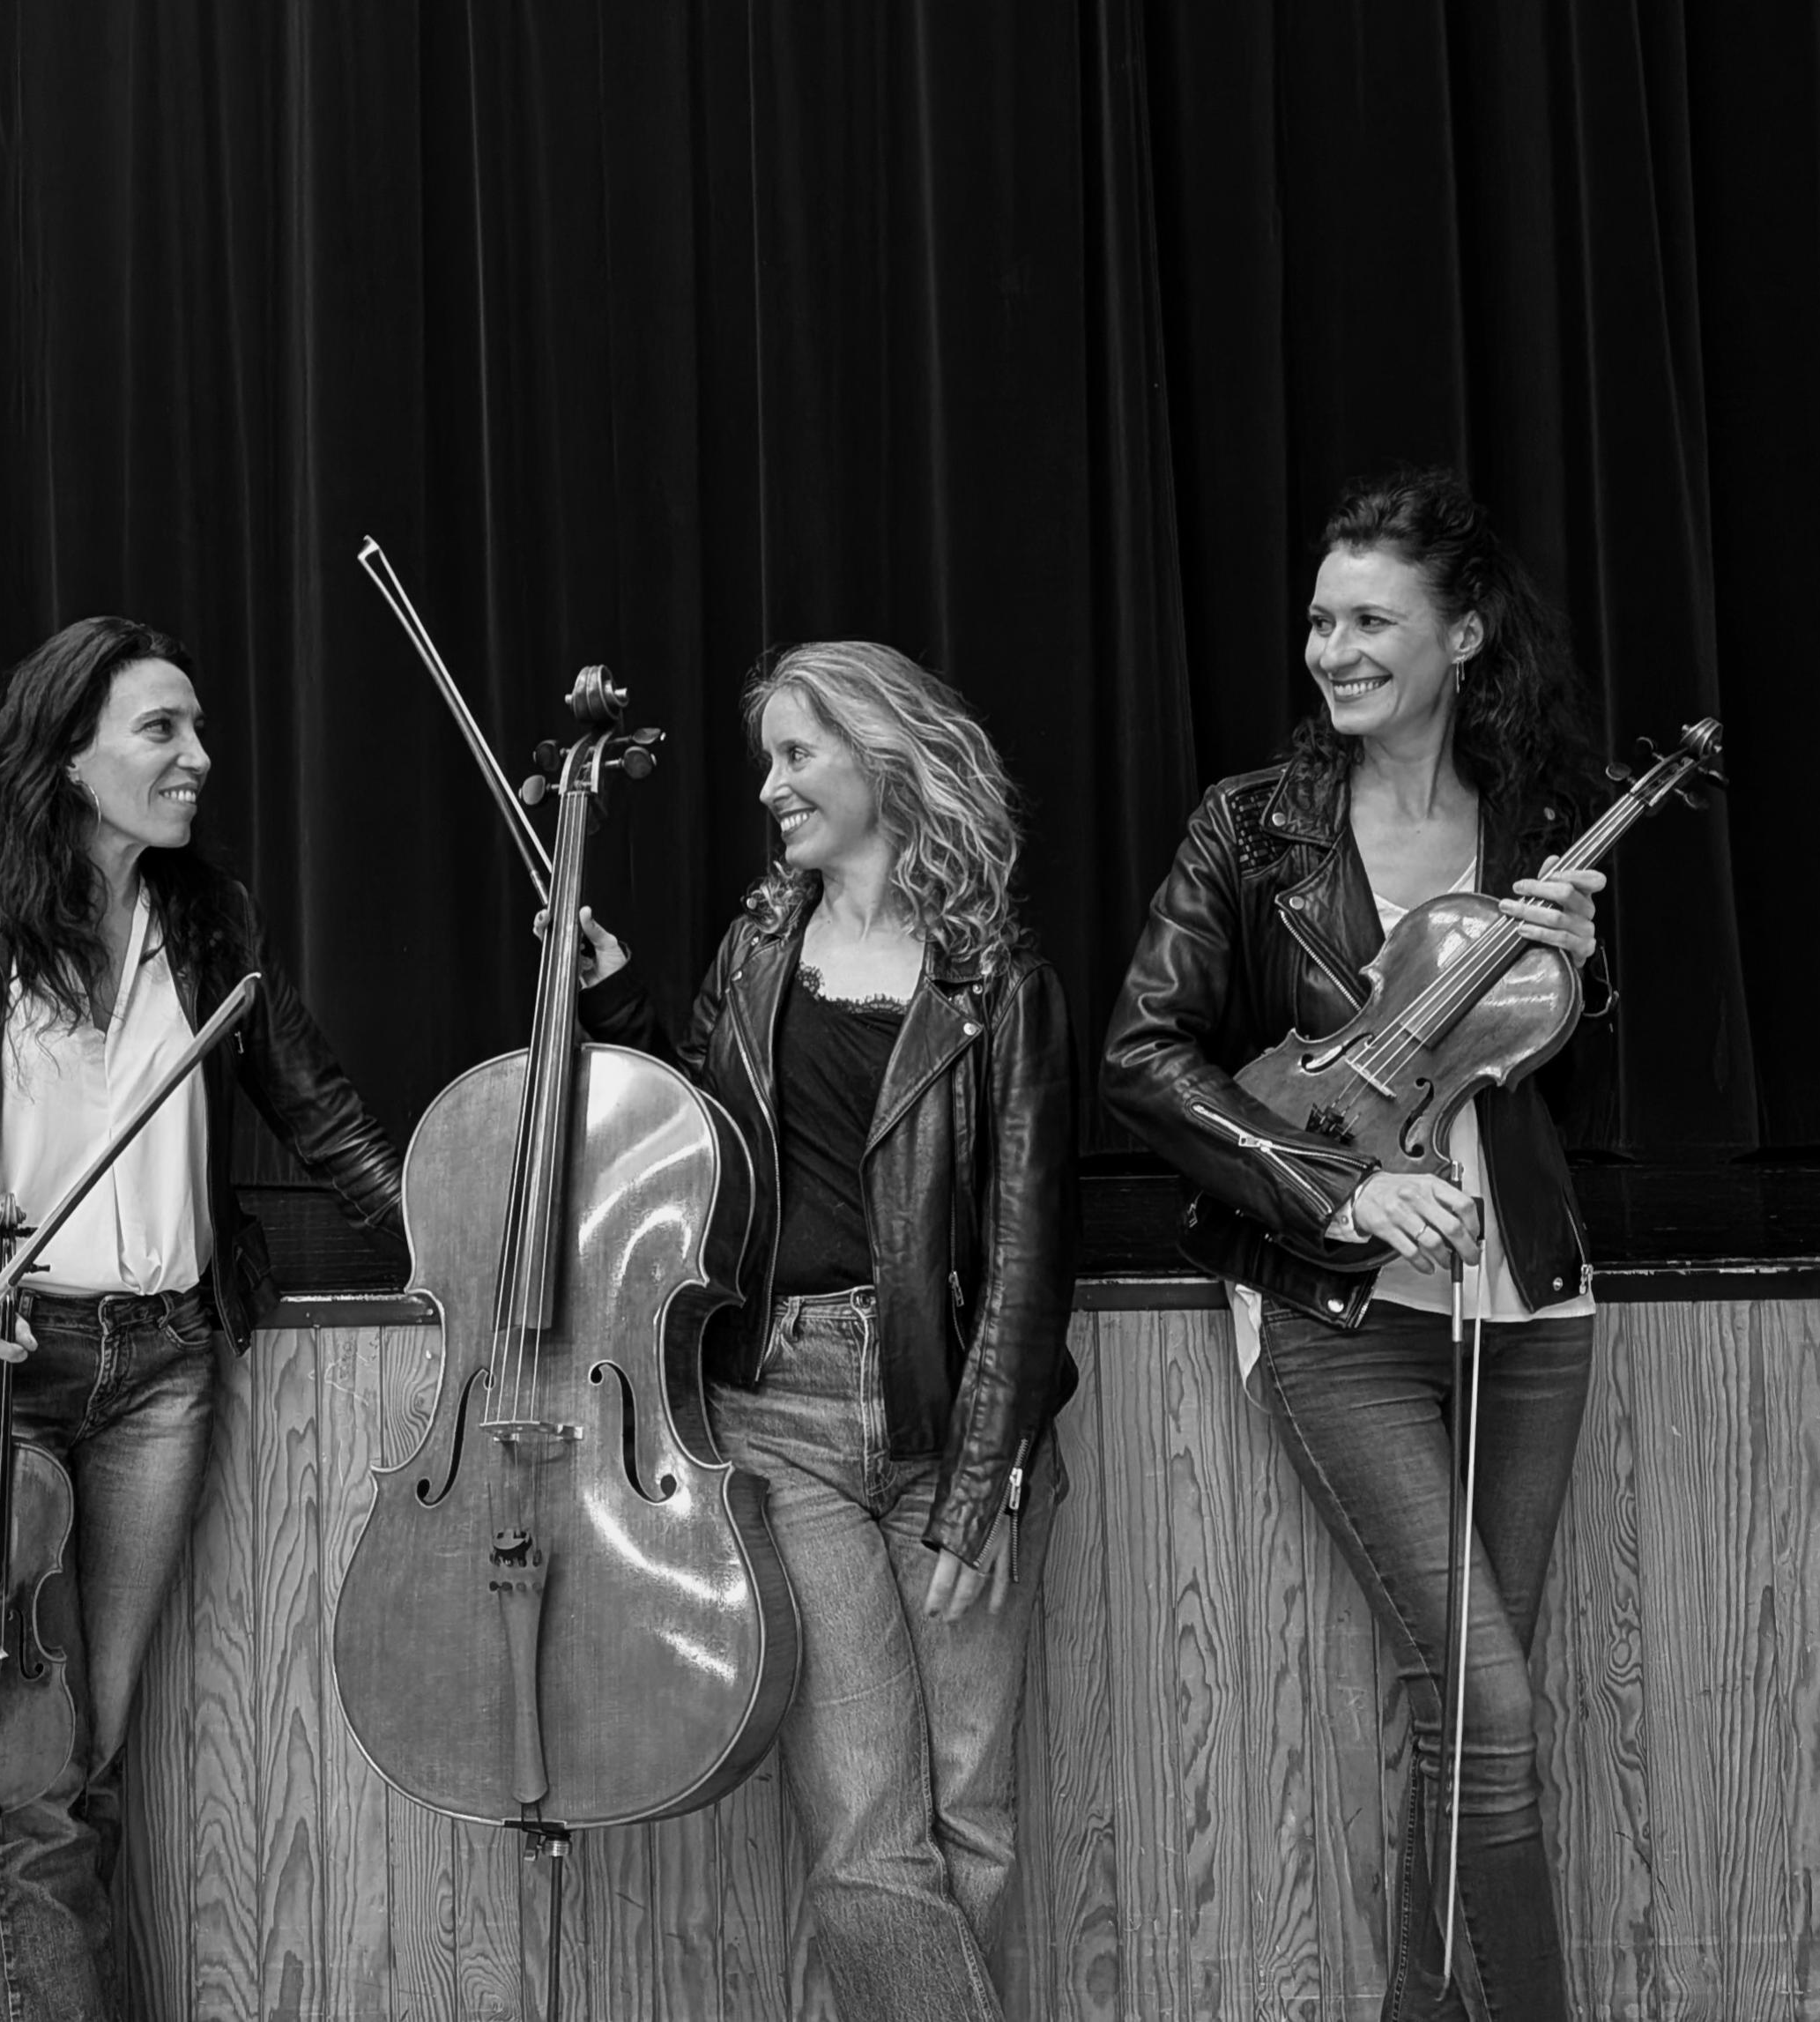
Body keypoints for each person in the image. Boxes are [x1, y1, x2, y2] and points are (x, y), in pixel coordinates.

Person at [0, 615, 404, 2021]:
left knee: (74, 1761)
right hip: (5, 1370)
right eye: (162, 730)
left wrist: (458, 1241)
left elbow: (321, 1114)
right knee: (41, 1777)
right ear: (71, 755)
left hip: (162, 1370)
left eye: (198, 729)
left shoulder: (212, 927)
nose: (199, 756)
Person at [1102, 469, 1612, 2021]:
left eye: (1371, 618)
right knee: (1490, 1705)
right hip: (1339, 1308)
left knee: (1469, 1715)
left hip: (1526, 1294)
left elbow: (1528, 1051)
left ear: (1460, 636)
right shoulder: (1253, 830)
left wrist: (1587, 965)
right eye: (1321, 618)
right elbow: (1145, 1050)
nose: (1334, 647)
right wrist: (1330, 1188)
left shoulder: (1530, 819)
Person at [563, 641, 1078, 2022]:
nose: (773, 787)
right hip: (783, 1408)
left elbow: (1029, 1247)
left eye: (799, 754)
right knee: (866, 1816)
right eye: (771, 762)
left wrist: (979, 1480)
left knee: (972, 1810)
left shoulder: (1001, 979)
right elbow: (713, 1155)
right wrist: (620, 1008)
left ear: (884, 756)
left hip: (957, 1419)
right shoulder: (753, 954)